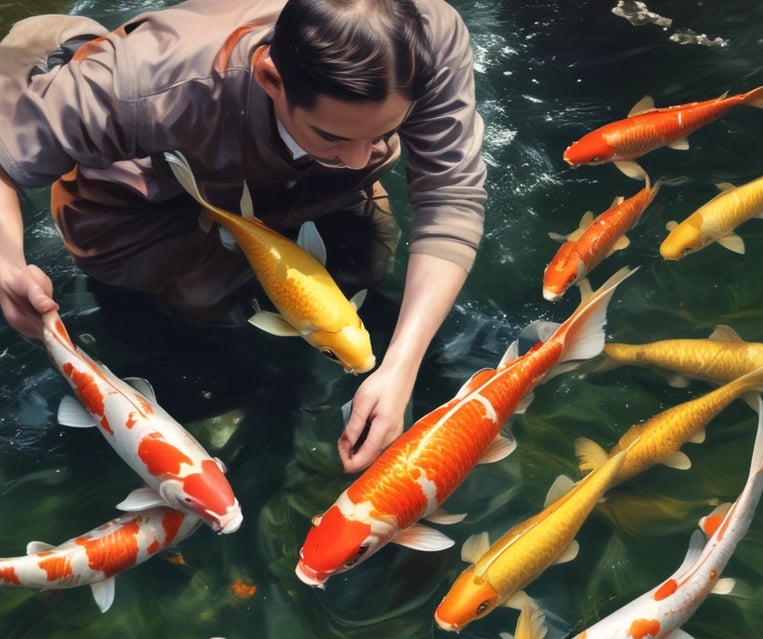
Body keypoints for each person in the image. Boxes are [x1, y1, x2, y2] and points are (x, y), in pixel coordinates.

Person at [0, 0, 487, 473]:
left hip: (304, 181)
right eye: (333, 136)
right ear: (272, 79)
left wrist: (400, 365)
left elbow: (452, 198)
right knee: (204, 304)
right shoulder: (139, 88)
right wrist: (8, 265)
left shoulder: (424, 43)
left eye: (383, 133)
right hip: (148, 190)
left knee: (369, 258)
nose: (363, 159)